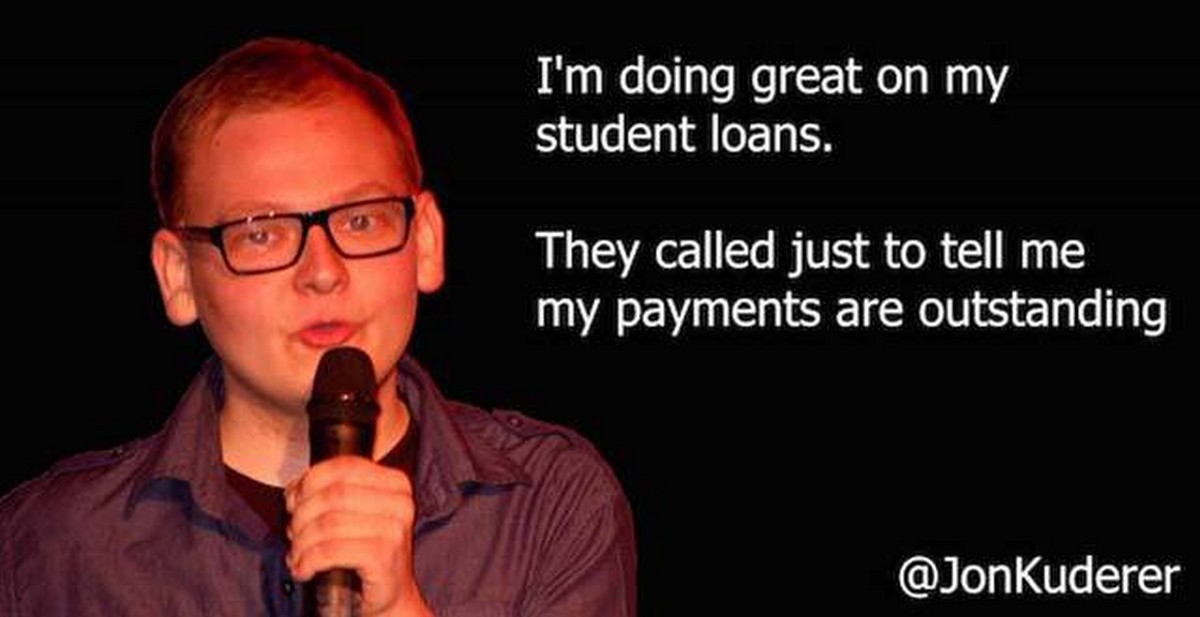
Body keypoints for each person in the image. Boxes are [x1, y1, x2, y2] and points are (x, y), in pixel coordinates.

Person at [0, 37, 636, 616]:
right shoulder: (49, 549)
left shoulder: (551, 504)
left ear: (426, 241)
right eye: (261, 233)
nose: (323, 272)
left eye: (361, 220)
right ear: (179, 277)